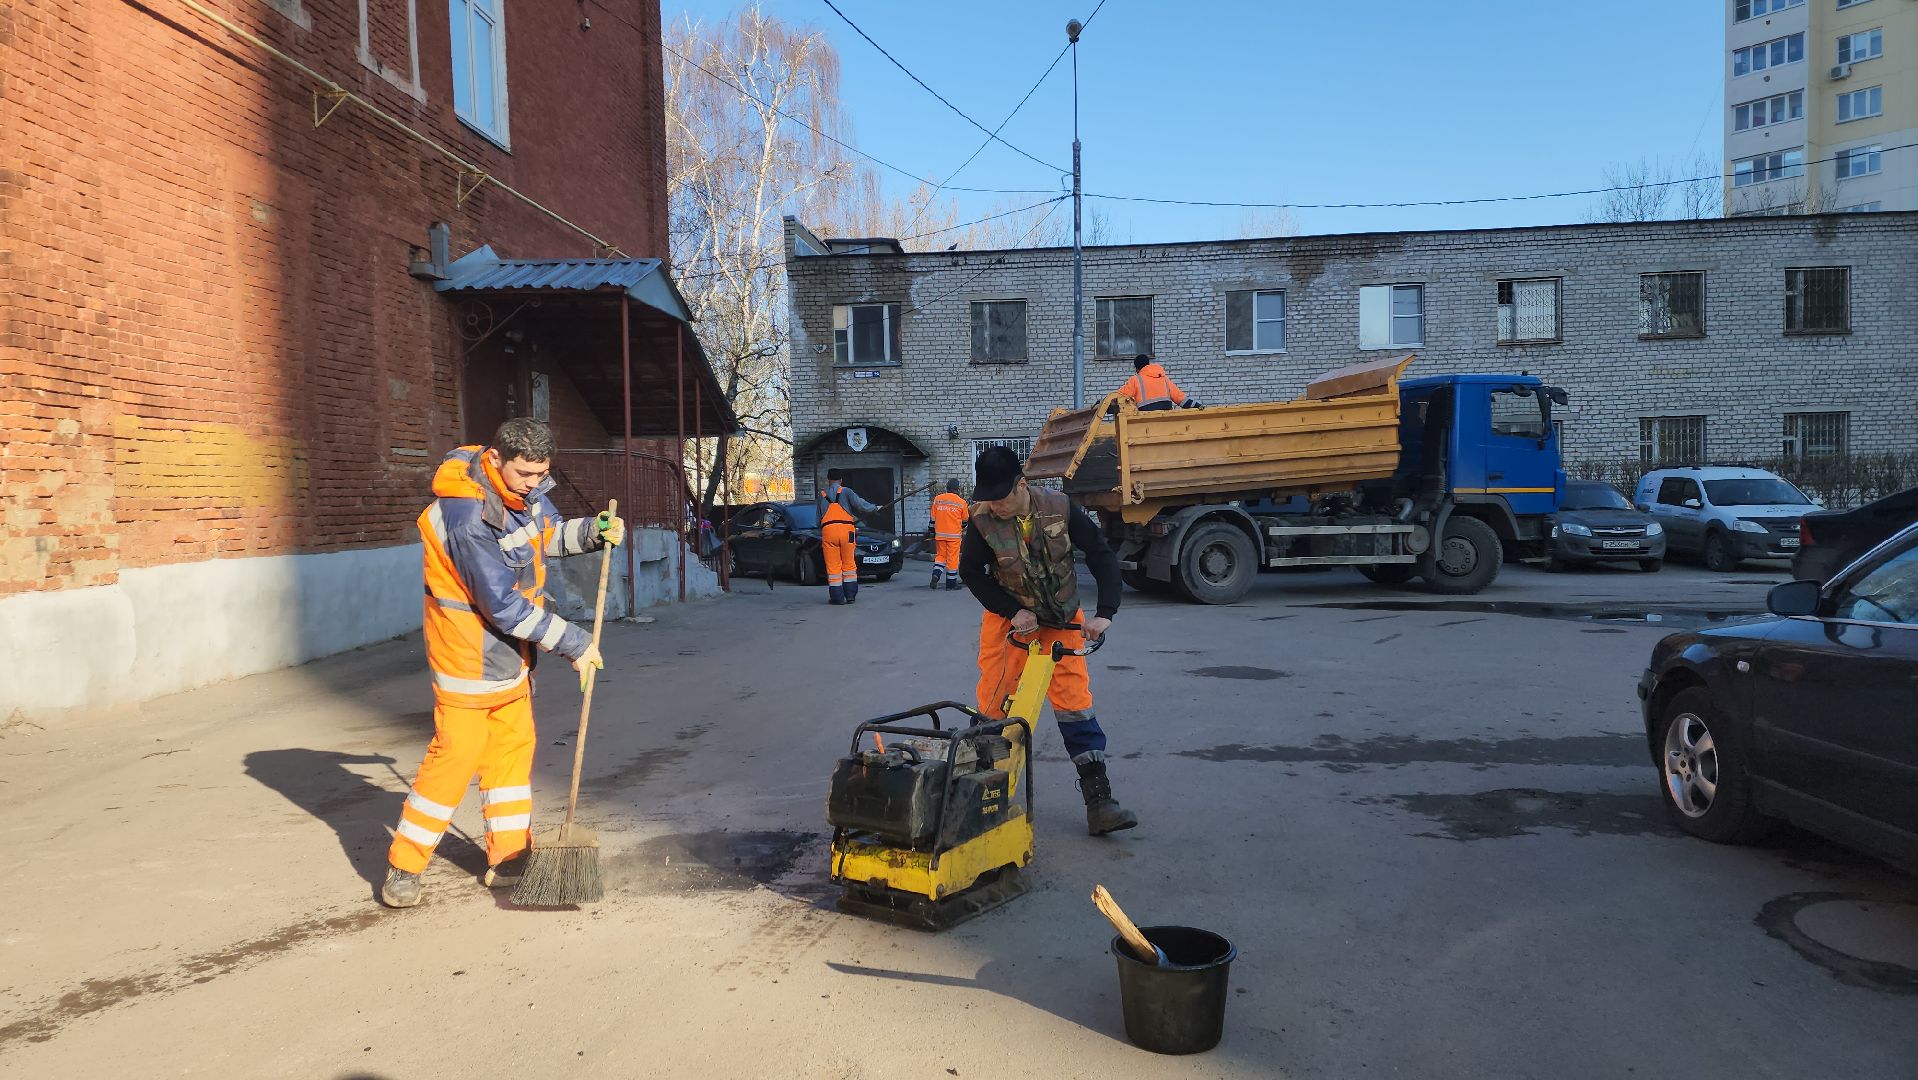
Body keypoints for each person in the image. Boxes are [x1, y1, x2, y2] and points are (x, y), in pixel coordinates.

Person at [380, 418, 624, 909]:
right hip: (468, 653)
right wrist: (575, 644)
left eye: (542, 475)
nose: (535, 485)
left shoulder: (520, 491)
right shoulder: (468, 518)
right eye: (525, 475)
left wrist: (592, 533)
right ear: (495, 460)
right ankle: (404, 866)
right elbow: (503, 606)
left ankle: (510, 857)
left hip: (510, 654)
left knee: (512, 753)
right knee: (457, 757)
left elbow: (547, 534)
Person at [958, 445, 1139, 836]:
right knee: (992, 703)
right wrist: (1011, 610)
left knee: (1075, 703)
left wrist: (1105, 613)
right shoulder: (981, 520)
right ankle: (981, 798)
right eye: (987, 498)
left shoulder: (1060, 507)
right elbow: (970, 571)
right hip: (1010, 624)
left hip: (1060, 620)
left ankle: (1099, 802)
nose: (995, 506)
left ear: (1021, 485)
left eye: (1001, 498)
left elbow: (1100, 554)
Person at [820, 468, 879, 605]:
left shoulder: (822, 495)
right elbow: (861, 504)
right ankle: (850, 595)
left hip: (828, 532)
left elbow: (818, 518)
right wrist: (874, 508)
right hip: (847, 532)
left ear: (828, 480)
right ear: (841, 480)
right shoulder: (846, 492)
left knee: (833, 567)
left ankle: (837, 598)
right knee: (848, 563)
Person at [1118, 352, 1200, 411]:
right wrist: (1196, 405)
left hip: (1145, 416)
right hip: (1166, 415)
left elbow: (1121, 396)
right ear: (1148, 364)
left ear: (1137, 368)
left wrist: (1111, 404)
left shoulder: (1136, 379)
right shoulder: (1163, 378)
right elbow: (1179, 397)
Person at [928, 479, 969, 591]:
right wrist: (960, 527)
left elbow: (932, 519)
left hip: (940, 535)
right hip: (954, 536)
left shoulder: (938, 499)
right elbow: (965, 520)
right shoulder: (961, 502)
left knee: (941, 556)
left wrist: (932, 531)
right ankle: (951, 584)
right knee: (952, 559)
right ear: (958, 489)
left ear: (947, 488)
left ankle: (936, 574)